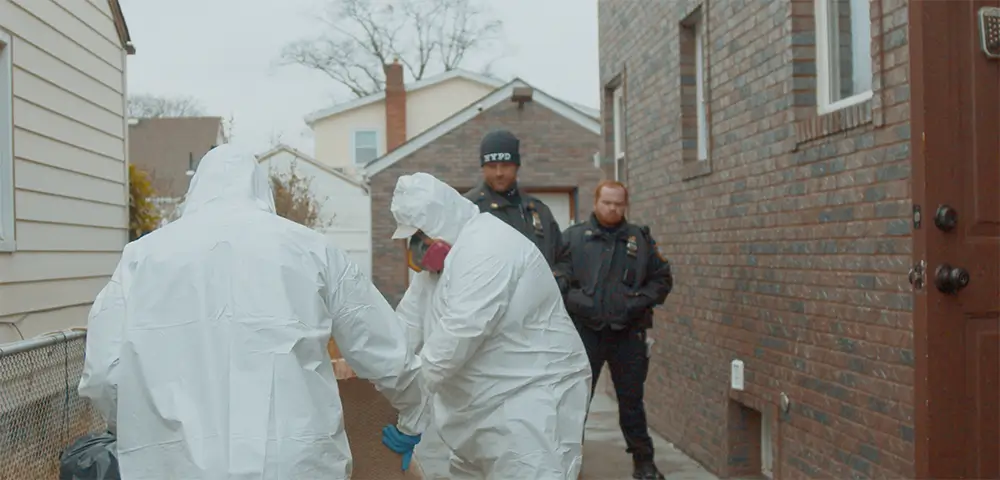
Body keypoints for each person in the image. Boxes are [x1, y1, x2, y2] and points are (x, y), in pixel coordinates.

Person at [78, 144, 427, 479]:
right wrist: (412, 416)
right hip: (295, 463)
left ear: (196, 190)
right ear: (260, 190)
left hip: (174, 464)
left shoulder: (142, 258)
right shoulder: (311, 250)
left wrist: (140, 429)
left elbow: (103, 374)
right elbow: (384, 348)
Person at [390, 172, 592, 479]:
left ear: (440, 221)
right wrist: (377, 374)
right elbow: (405, 324)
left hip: (529, 403)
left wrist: (409, 416)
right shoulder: (437, 269)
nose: (416, 246)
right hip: (475, 413)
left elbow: (456, 338)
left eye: (420, 234)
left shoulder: (488, 247)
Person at [554, 180, 673, 480]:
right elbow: (557, 279)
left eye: (618, 204)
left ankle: (644, 463)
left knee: (631, 402)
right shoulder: (574, 238)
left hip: (627, 334)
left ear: (625, 205)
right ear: (596, 202)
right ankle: (566, 464)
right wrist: (579, 301)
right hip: (586, 333)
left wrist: (636, 302)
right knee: (576, 402)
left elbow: (662, 280)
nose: (612, 208)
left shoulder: (640, 240)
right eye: (607, 202)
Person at [463, 130, 563, 267]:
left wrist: (558, 276)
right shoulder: (468, 210)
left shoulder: (539, 212)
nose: (499, 173)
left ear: (516, 166)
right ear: (483, 168)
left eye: (505, 166)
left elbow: (561, 260)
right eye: (492, 166)